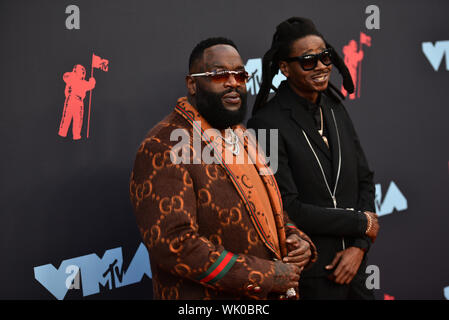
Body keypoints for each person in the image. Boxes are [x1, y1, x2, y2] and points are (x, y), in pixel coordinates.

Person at [129, 37, 317, 300]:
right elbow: (173, 244)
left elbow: (267, 210)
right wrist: (263, 275)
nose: (233, 83)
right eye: (219, 75)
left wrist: (296, 238)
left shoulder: (241, 134)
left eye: (240, 75)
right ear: (192, 84)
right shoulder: (163, 145)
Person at [247, 17, 379, 300]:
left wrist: (359, 247)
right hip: (313, 278)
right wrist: (360, 223)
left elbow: (365, 180)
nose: (320, 66)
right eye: (308, 60)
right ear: (285, 68)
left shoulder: (335, 108)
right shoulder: (264, 124)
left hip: (356, 272)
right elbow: (285, 207)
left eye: (325, 57)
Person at [58, 64, 96, 140]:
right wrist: (73, 74)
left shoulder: (83, 82)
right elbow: (65, 76)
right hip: (71, 99)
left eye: (83, 71)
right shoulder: (71, 78)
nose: (83, 72)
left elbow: (90, 85)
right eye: (81, 70)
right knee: (66, 117)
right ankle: (62, 133)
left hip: (79, 102)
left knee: (78, 120)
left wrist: (92, 81)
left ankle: (76, 136)